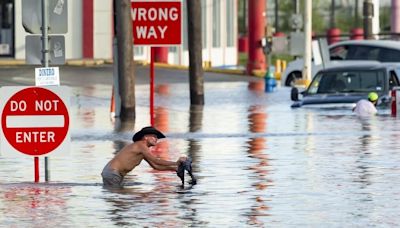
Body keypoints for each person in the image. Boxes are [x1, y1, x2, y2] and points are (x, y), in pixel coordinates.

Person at [101, 126, 187, 188]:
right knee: (118, 196)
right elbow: (156, 160)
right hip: (112, 173)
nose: (156, 139)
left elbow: (155, 166)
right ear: (145, 137)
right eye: (153, 136)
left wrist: (175, 169)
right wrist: (176, 163)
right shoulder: (141, 145)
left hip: (113, 173)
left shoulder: (142, 150)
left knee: (119, 195)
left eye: (157, 137)